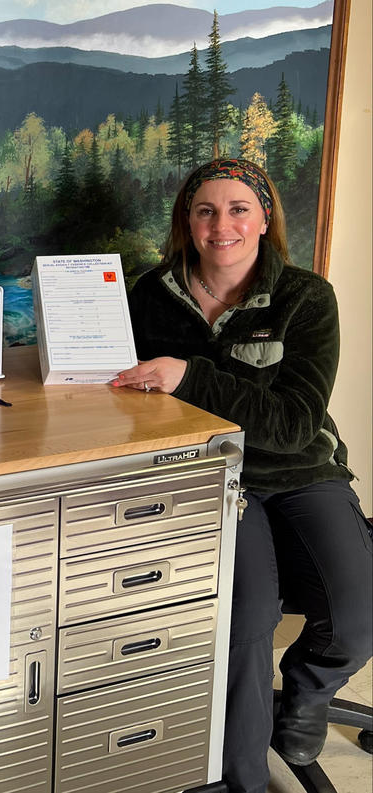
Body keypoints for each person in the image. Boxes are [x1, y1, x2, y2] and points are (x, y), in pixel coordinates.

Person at [114, 158, 372, 793]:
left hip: (301, 470)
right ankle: (242, 779)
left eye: (237, 209)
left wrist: (188, 375)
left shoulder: (307, 298)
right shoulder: (147, 298)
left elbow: (290, 423)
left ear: (263, 220)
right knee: (246, 619)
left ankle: (303, 706)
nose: (220, 224)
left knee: (359, 616)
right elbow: (116, 399)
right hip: (211, 476)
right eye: (205, 210)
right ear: (187, 222)